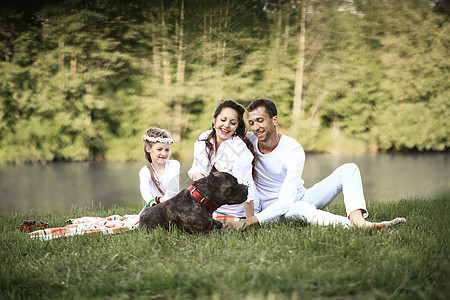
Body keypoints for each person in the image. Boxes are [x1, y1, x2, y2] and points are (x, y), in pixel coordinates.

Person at [226, 98, 406, 230]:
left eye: (260, 120)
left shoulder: (292, 149)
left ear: (274, 120)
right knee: (303, 210)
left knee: (349, 169)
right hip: (273, 208)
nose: (255, 127)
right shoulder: (247, 143)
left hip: (298, 196)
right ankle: (355, 227)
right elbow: (220, 133)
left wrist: (247, 222)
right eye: (251, 123)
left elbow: (288, 199)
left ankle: (358, 220)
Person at [188, 100, 259, 222]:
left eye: (232, 123)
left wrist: (249, 221)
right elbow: (198, 170)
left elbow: (247, 188)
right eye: (223, 120)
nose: (226, 125)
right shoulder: (204, 138)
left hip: (236, 209)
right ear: (214, 120)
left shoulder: (239, 148)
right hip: (211, 203)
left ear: (237, 126)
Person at [139, 128, 180, 215]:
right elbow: (145, 190)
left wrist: (164, 201)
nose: (164, 153)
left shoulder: (174, 165)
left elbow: (173, 188)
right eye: (159, 149)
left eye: (167, 150)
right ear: (148, 149)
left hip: (172, 204)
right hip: (154, 206)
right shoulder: (145, 171)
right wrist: (151, 201)